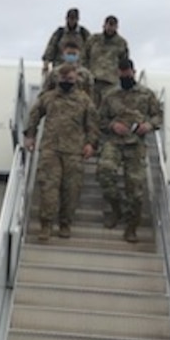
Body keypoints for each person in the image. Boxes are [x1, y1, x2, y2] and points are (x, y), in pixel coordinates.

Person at [23, 64, 99, 241]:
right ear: (58, 79)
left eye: (70, 79)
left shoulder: (84, 100)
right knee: (48, 188)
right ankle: (46, 225)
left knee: (71, 190)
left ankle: (65, 224)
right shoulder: (48, 98)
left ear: (76, 80)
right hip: (51, 150)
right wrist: (30, 135)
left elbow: (92, 124)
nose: (67, 82)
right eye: (64, 79)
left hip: (74, 151)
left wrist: (90, 144)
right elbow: (34, 116)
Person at [97, 57, 163, 242]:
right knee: (104, 172)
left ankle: (131, 227)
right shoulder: (110, 95)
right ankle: (117, 209)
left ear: (133, 72)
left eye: (128, 72)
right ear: (118, 73)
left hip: (136, 144)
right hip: (114, 143)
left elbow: (159, 116)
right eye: (122, 72)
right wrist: (112, 125)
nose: (125, 75)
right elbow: (99, 119)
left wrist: (149, 125)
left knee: (135, 189)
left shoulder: (146, 94)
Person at [85, 15, 129, 107]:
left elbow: (124, 62)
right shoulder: (93, 39)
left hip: (111, 82)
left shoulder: (121, 43)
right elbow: (84, 56)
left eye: (113, 25)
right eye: (109, 25)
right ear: (104, 25)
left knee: (108, 108)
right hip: (93, 80)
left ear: (116, 27)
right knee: (91, 108)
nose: (110, 28)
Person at [41, 8, 91, 76]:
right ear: (66, 18)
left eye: (74, 18)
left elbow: (91, 49)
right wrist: (46, 64)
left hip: (78, 69)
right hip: (60, 68)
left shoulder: (83, 33)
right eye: (70, 18)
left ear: (77, 19)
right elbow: (50, 48)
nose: (72, 20)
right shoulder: (60, 33)